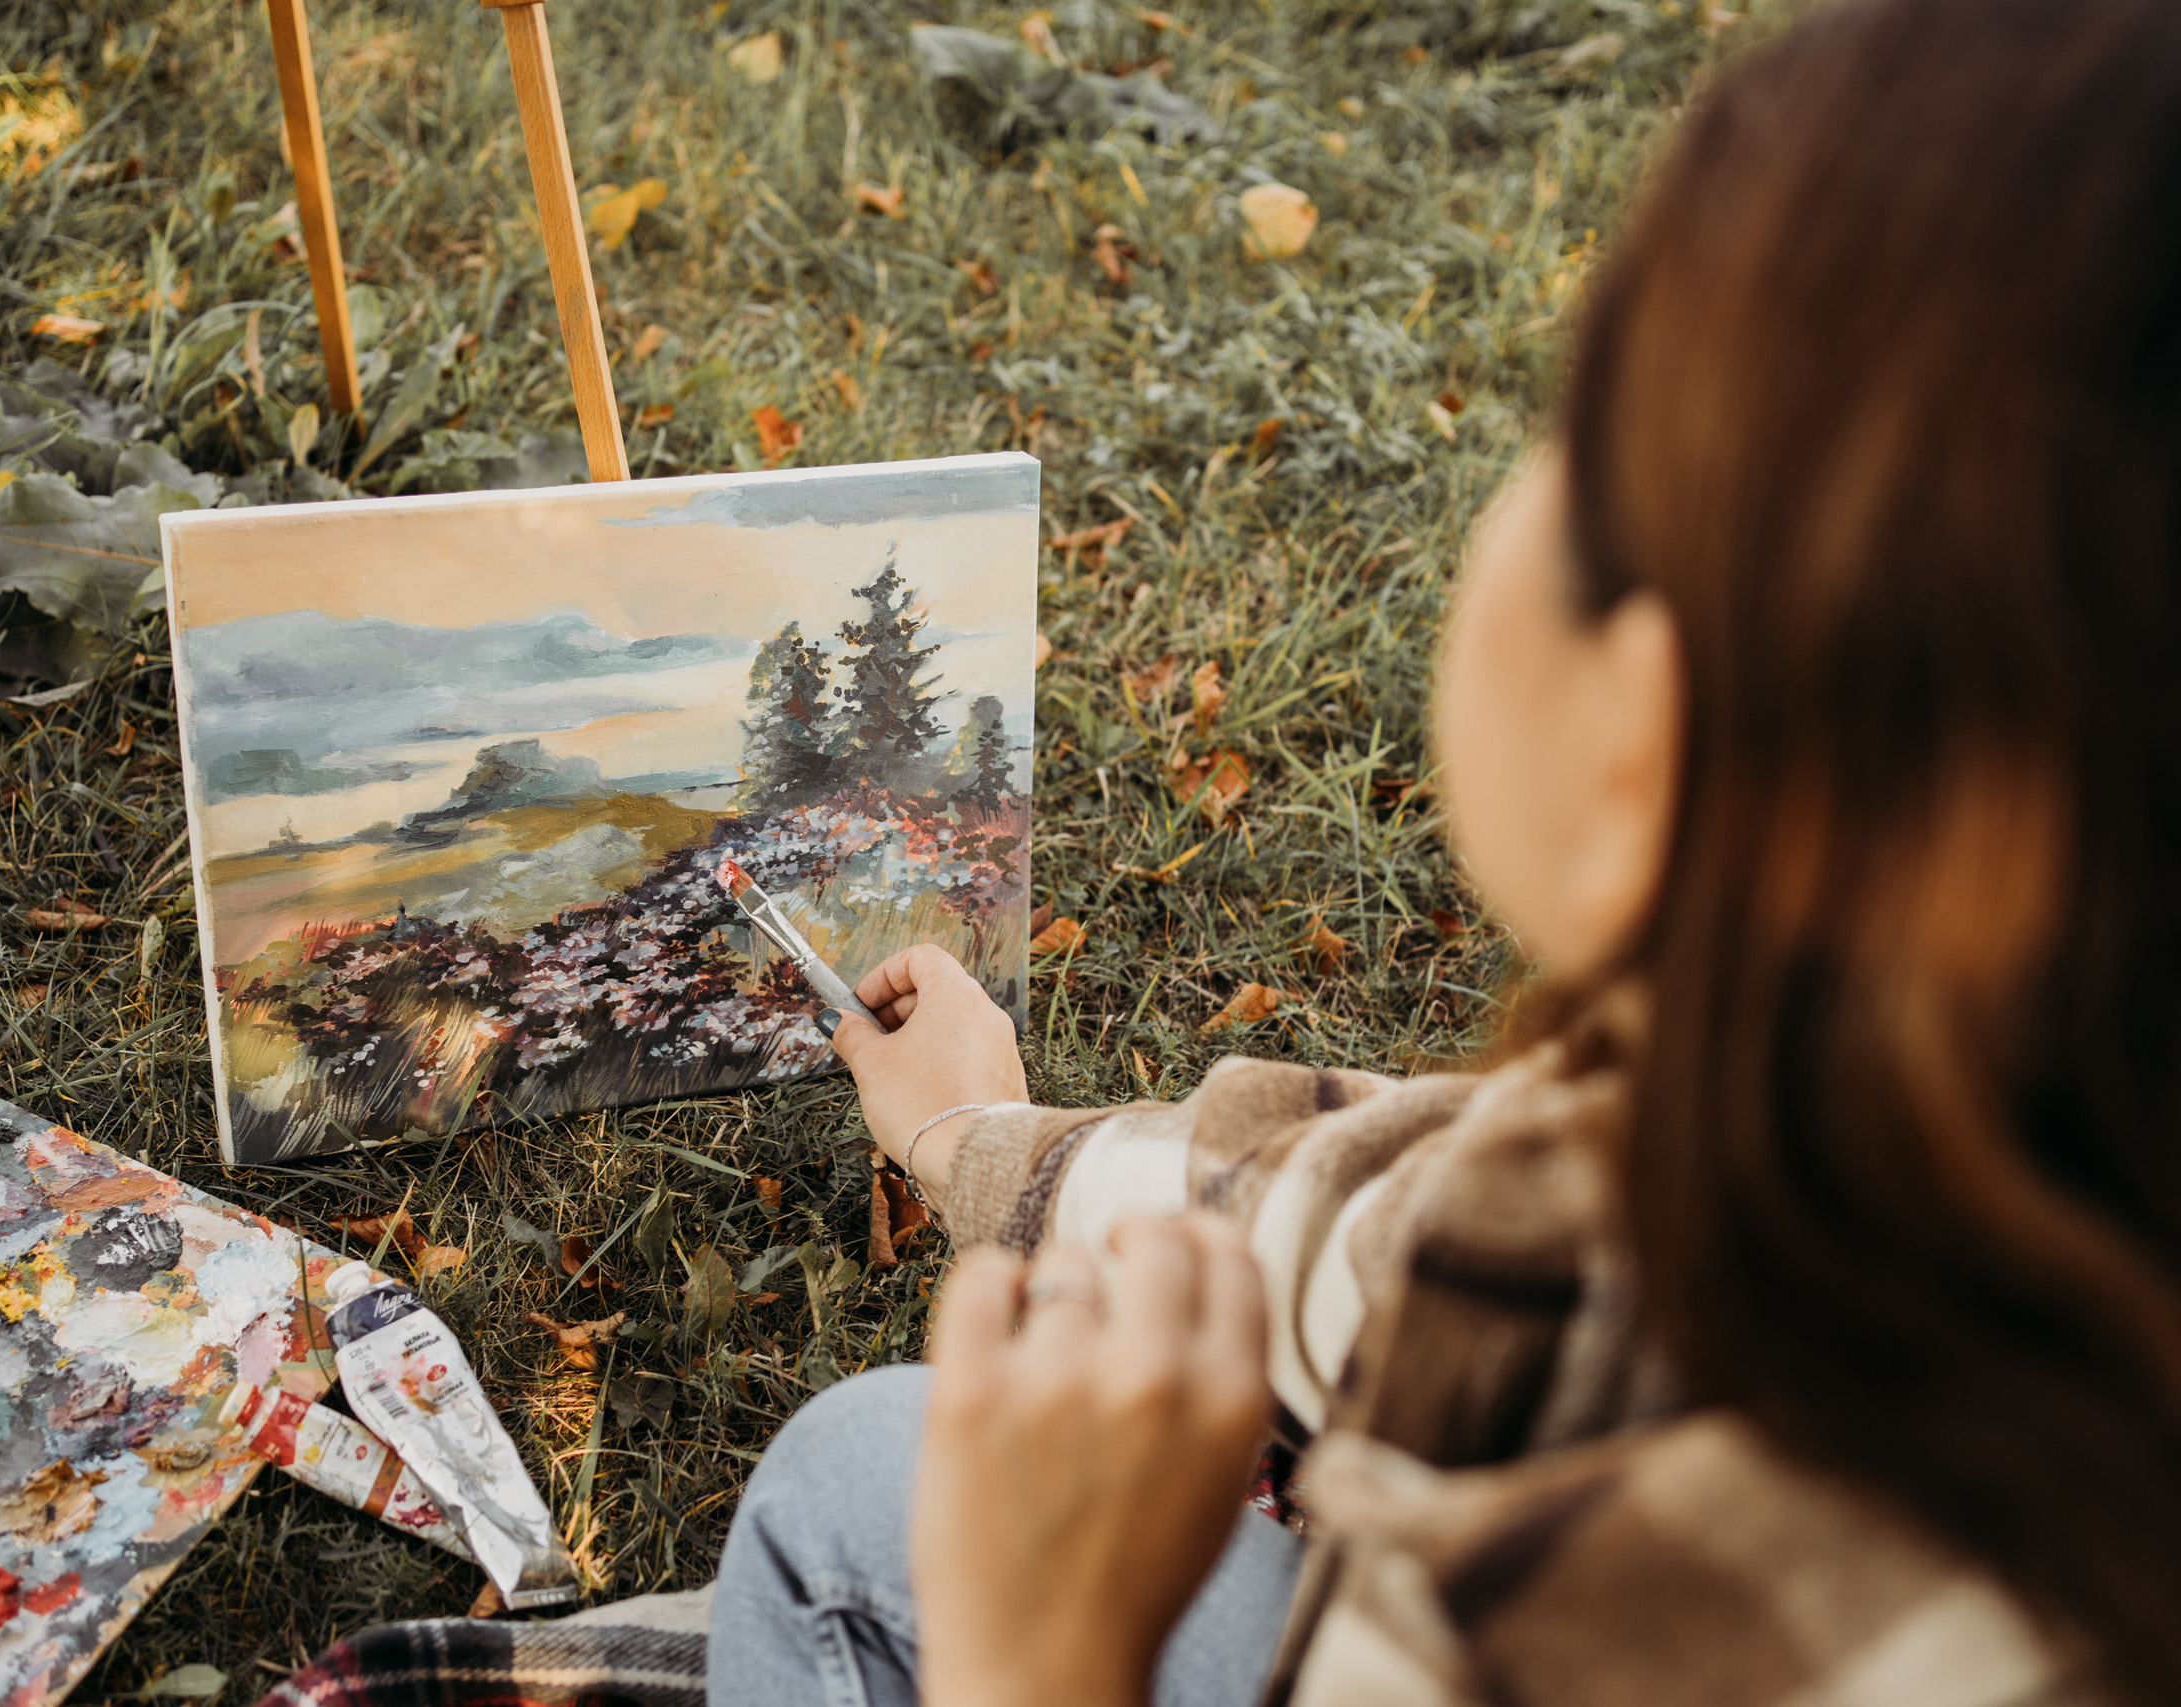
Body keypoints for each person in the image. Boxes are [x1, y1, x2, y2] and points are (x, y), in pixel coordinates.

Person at [704, 0, 2181, 1701]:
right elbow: (1372, 1220)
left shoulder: (1599, 1636)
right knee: (859, 1472)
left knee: (858, 1515)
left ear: (1646, 754)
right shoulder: (1875, 1134)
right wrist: (975, 1137)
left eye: (1577, 443)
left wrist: (1048, 1656)